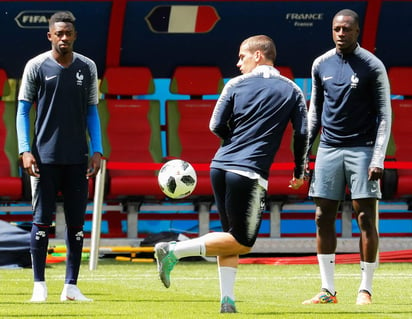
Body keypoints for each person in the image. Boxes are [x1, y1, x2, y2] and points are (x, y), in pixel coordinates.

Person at [154, 35, 309, 313]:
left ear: (259, 55)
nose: (238, 63)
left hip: (220, 166)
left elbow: (215, 124)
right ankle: (174, 250)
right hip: (248, 172)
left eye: (242, 56)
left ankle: (227, 301)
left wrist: (233, 143)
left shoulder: (234, 85)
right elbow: (303, 132)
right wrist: (300, 169)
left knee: (229, 237)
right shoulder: (292, 89)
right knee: (243, 243)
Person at [302, 9, 391, 305]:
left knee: (365, 217)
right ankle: (328, 290)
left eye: (347, 29)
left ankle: (365, 289)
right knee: (321, 216)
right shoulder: (320, 64)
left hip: (363, 149)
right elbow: (315, 111)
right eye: (337, 29)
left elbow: (384, 115)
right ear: (332, 30)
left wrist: (378, 157)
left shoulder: (372, 66)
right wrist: (304, 153)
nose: (341, 34)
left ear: (357, 32)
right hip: (328, 148)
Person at [16, 11, 103, 302]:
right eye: (59, 33)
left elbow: (92, 110)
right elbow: (22, 111)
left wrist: (97, 150)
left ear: (75, 36)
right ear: (50, 35)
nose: (64, 38)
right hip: (44, 159)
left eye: (68, 33)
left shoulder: (88, 67)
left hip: (78, 158)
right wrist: (25, 150)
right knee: (41, 221)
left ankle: (71, 286)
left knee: (77, 224)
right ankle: (39, 285)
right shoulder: (36, 66)